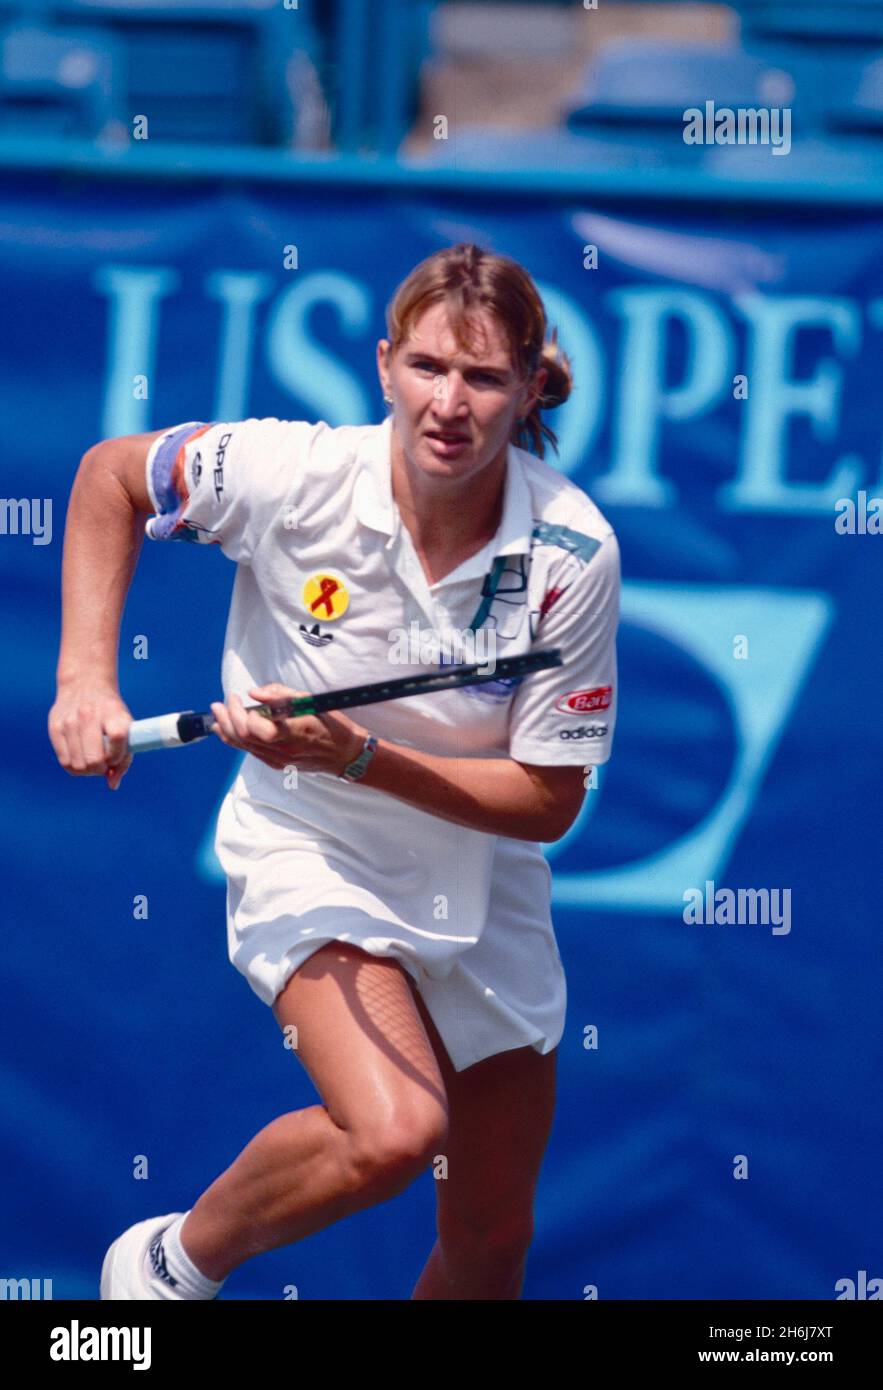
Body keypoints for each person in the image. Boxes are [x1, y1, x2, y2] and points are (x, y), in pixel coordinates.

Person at [48, 242, 620, 1300]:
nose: (450, 403)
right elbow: (109, 478)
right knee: (396, 1130)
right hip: (309, 847)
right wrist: (86, 679)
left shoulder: (572, 553)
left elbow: (547, 802)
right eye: (428, 368)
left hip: (484, 879)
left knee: (491, 1245)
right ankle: (168, 1266)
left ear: (532, 384)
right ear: (383, 366)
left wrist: (357, 753)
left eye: (486, 377)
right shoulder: (291, 472)